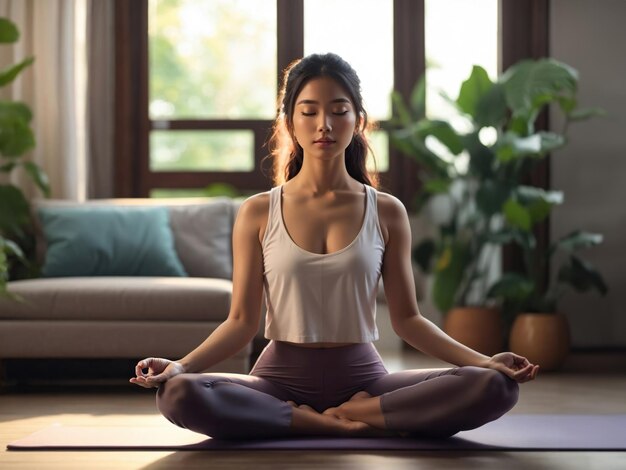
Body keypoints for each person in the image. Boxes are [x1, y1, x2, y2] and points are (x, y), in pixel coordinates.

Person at [130, 52, 539, 440]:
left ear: (358, 120)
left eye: (338, 110)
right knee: (177, 393)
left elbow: (409, 320)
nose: (324, 123)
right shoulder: (257, 212)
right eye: (309, 112)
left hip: (365, 380)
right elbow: (240, 323)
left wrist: (485, 361)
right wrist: (179, 366)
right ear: (290, 121)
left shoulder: (387, 211)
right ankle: (319, 422)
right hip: (277, 380)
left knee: (496, 387)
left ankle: (356, 412)